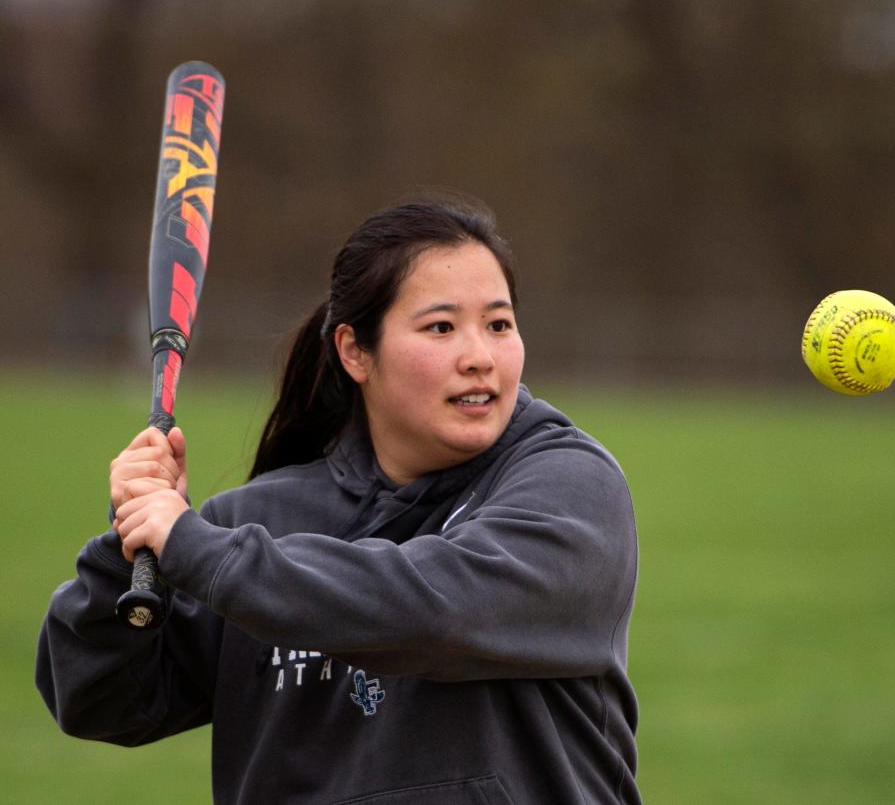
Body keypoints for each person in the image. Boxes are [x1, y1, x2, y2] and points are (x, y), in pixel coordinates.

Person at [36, 196, 642, 804]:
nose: (480, 357)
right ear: (355, 351)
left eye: (499, 324)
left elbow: (435, 609)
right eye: (441, 327)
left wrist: (197, 549)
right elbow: (98, 701)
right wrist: (128, 546)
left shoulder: (571, 488)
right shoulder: (253, 521)